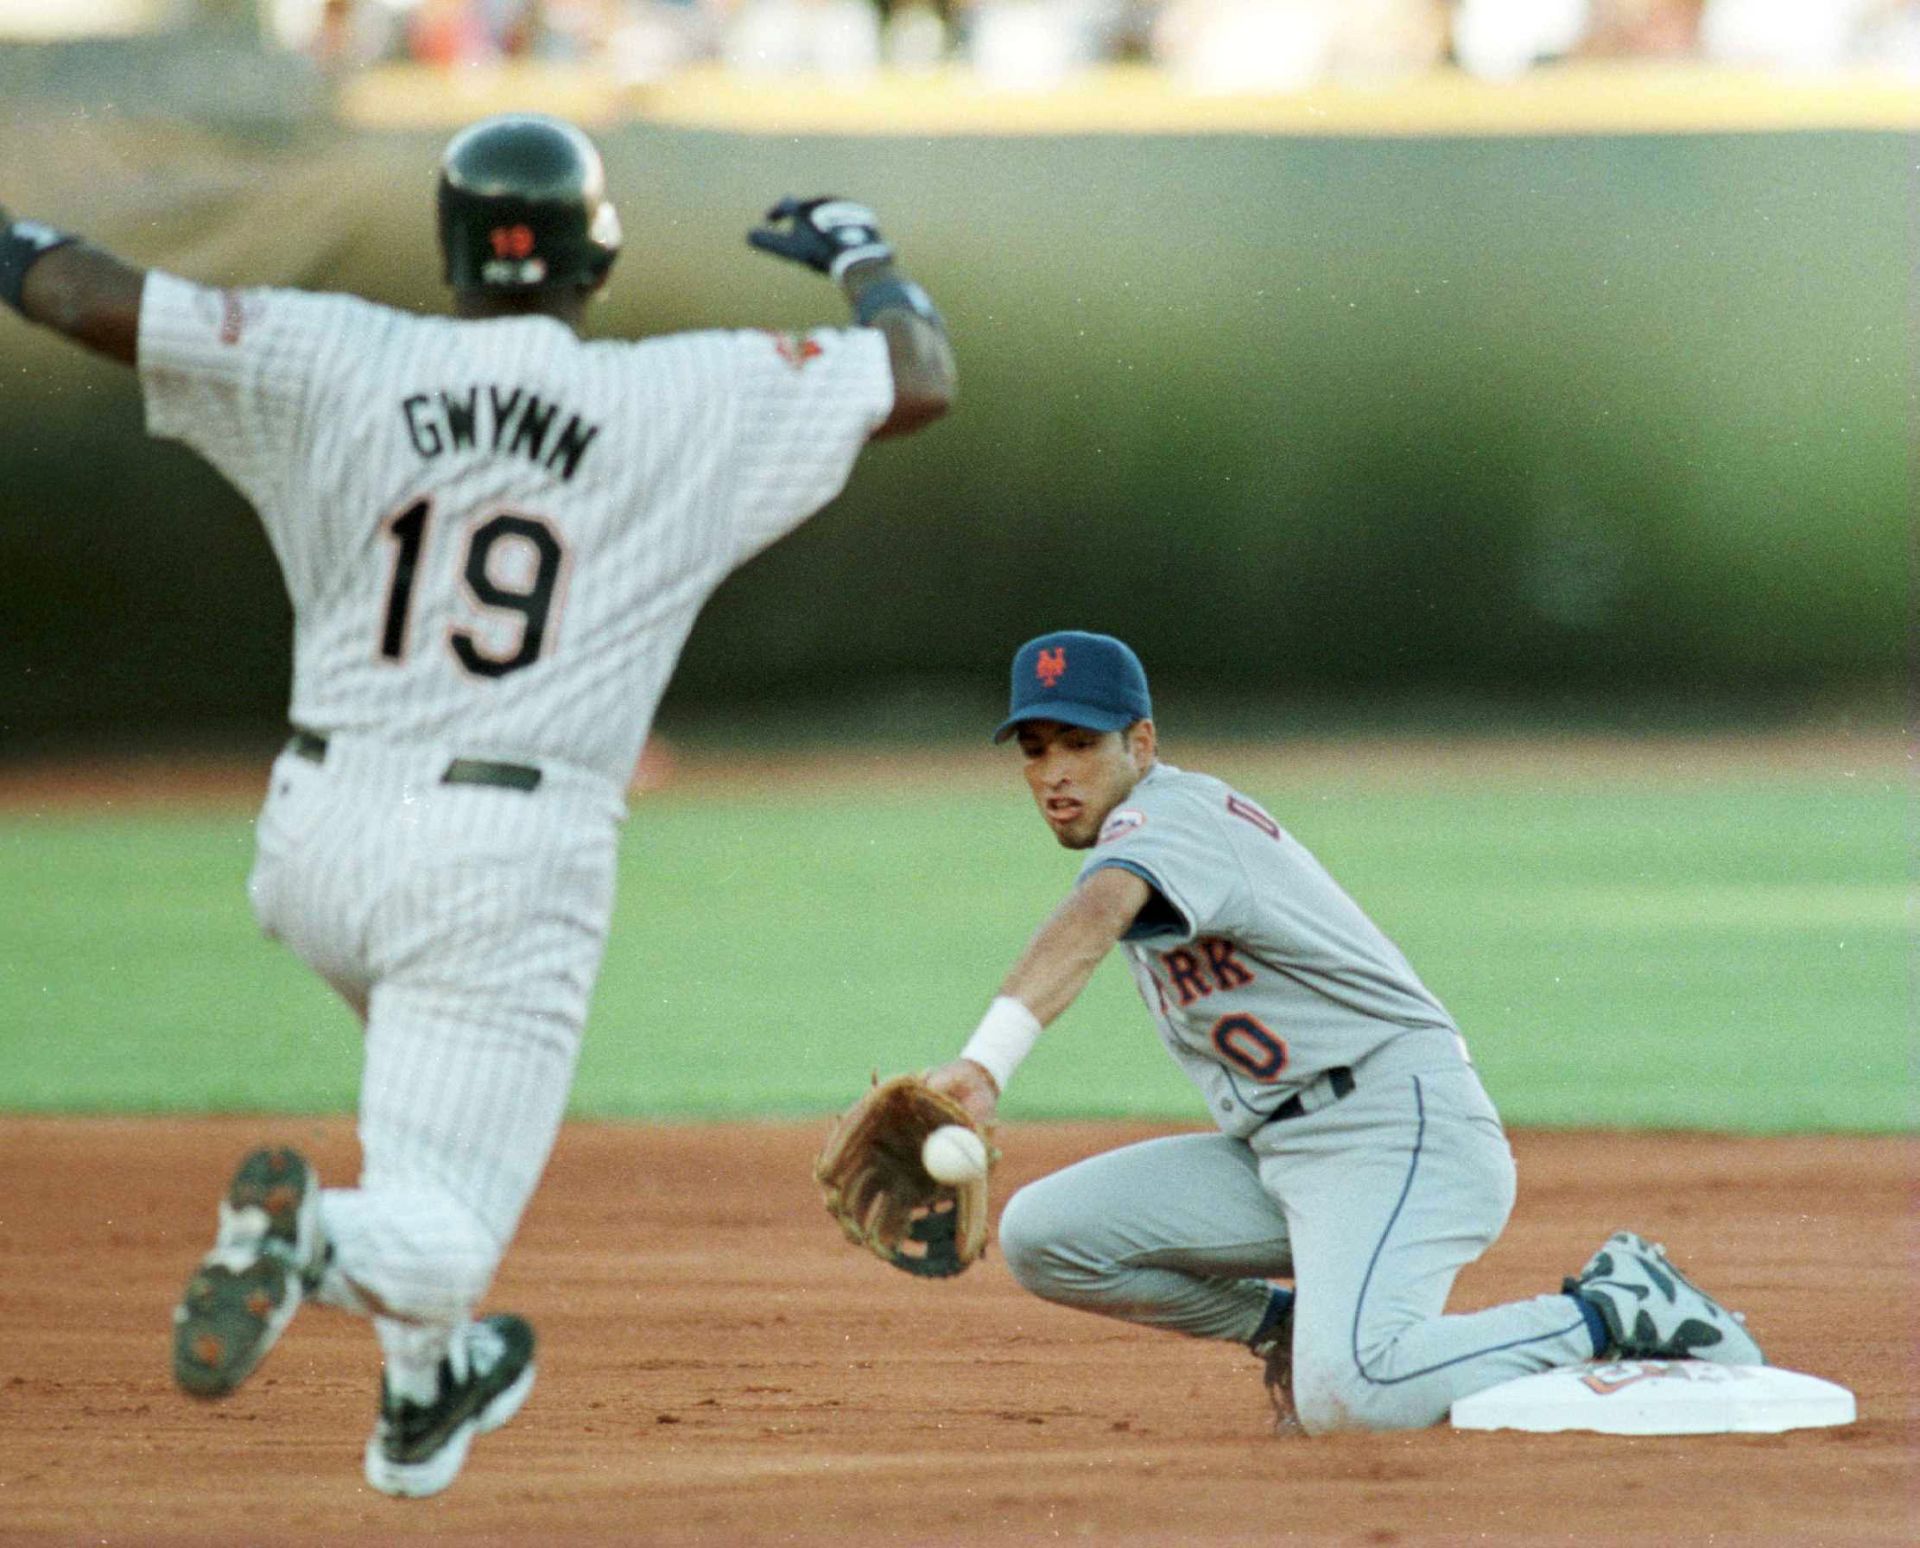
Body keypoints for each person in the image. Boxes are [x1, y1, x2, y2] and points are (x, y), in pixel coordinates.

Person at [1, 115, 954, 1495]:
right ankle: (302, 1247)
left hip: (313, 835)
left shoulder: (332, 351)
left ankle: (428, 1391)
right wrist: (862, 255)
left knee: (425, 1134)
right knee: (440, 1218)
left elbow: (91, 295)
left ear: (450, 253)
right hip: (502, 856)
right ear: (596, 259)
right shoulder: (680, 393)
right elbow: (920, 377)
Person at [922, 630, 1760, 1434]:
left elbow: (1096, 913)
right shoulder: (1130, 844)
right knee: (1044, 1237)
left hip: (1398, 1132)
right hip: (1284, 1157)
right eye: (1034, 749)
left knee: (1355, 1395)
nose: (1054, 772)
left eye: (1079, 742)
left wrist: (986, 1062)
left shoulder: (1173, 818)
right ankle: (1288, 1329)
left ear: (1140, 743)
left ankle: (1614, 1306)